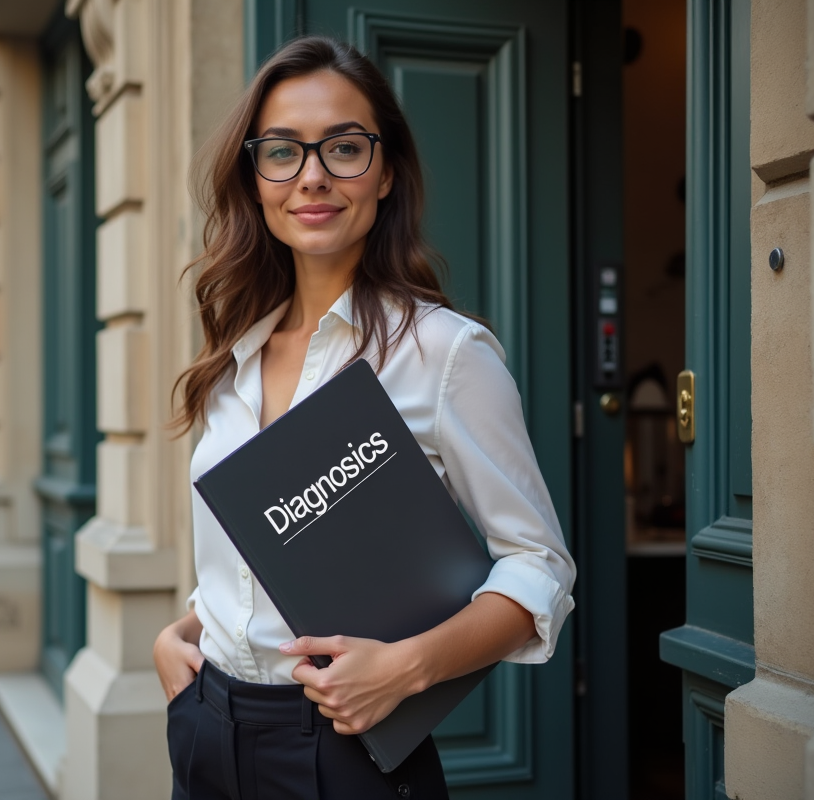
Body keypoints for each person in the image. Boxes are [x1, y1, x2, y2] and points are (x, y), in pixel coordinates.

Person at [154, 37, 576, 799]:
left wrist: (406, 669)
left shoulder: (444, 352)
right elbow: (248, 560)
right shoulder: (233, 358)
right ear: (255, 179)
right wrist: (183, 632)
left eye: (344, 148)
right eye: (282, 151)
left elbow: (538, 564)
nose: (312, 175)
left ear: (385, 174)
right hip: (206, 730)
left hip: (343, 747)